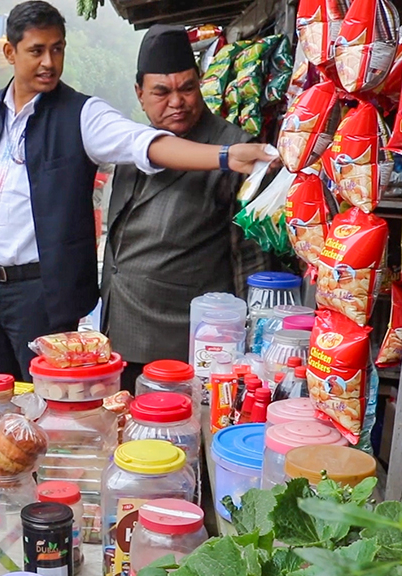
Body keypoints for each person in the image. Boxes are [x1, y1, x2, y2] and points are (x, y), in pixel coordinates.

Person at [0, 0, 277, 380]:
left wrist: (225, 156)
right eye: (37, 50)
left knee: (47, 408)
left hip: (46, 296)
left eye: (57, 49)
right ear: (10, 52)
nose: (49, 63)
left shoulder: (83, 115)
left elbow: (147, 144)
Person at [102, 25, 275, 389]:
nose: (177, 102)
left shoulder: (234, 151)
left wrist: (252, 352)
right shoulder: (132, 147)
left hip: (184, 348)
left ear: (200, 82)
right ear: (140, 94)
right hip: (119, 336)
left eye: (187, 88)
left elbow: (252, 260)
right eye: (162, 92)